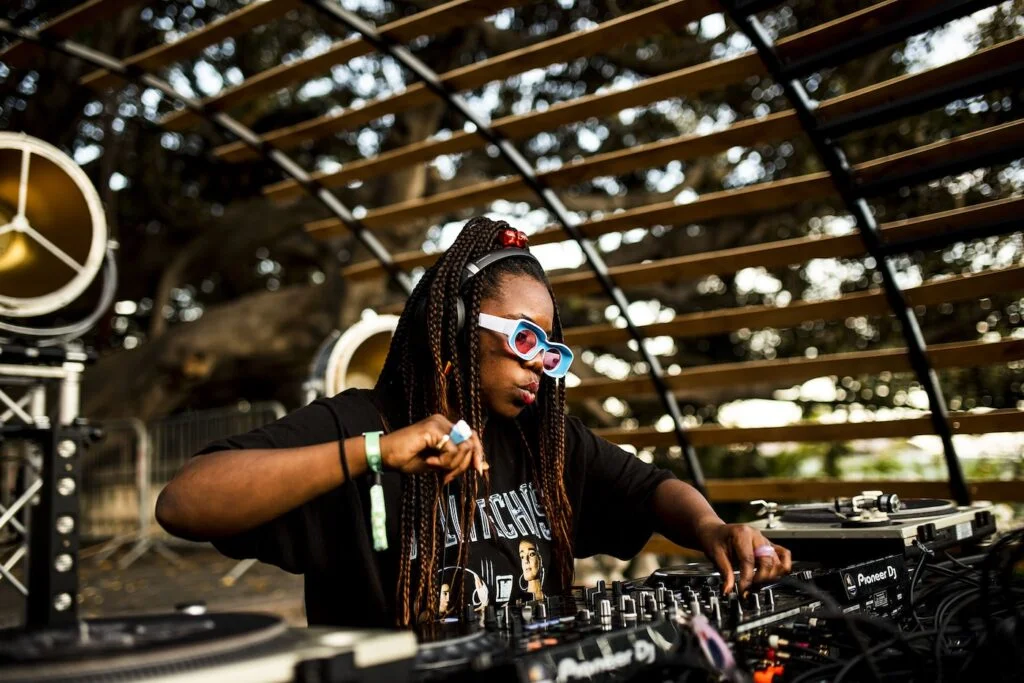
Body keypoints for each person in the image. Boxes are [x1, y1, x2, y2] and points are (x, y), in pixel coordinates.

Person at [156, 216, 792, 628]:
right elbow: (185, 502)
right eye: (523, 338)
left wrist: (711, 527)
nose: (540, 364)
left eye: (551, 348)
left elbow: (651, 489)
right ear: (458, 326)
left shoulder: (544, 442)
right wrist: (374, 452)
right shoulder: (359, 422)